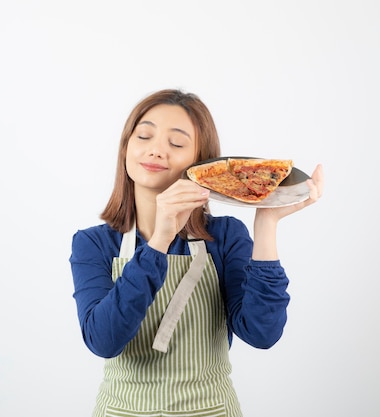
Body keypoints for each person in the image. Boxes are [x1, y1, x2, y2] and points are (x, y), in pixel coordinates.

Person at [69, 89, 324, 417]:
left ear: (200, 163)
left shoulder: (226, 236)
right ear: (126, 148)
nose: (157, 149)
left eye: (176, 143)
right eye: (145, 135)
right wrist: (160, 240)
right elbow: (103, 340)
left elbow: (262, 333)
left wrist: (267, 223)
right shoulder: (93, 244)